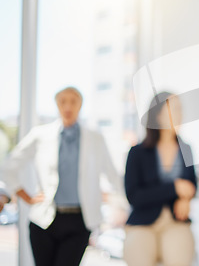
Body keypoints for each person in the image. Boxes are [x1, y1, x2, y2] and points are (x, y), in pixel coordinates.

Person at [1, 87, 123, 266]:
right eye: (63, 101)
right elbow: (9, 167)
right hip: (44, 221)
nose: (68, 106)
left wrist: (123, 206)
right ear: (57, 105)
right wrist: (25, 196)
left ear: (80, 105)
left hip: (79, 221)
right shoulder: (40, 135)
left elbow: (113, 176)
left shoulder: (95, 138)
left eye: (73, 101)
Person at [123, 92, 197, 266]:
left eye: (181, 109)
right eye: (174, 109)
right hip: (143, 222)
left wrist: (185, 198)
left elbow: (192, 185)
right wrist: (175, 188)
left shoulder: (186, 149)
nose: (180, 114)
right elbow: (134, 196)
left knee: (179, 258)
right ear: (157, 115)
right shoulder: (137, 152)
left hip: (175, 221)